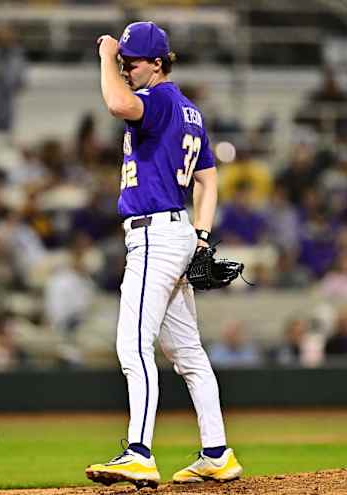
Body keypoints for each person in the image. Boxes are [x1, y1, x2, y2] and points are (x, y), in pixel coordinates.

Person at [85, 22, 242, 489]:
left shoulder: (160, 100)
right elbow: (208, 181)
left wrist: (104, 56)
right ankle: (216, 453)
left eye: (131, 62)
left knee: (133, 346)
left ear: (158, 62)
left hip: (154, 235)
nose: (125, 69)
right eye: (122, 62)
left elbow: (116, 103)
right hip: (176, 232)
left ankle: (139, 452)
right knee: (187, 353)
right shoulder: (190, 111)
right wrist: (202, 236)